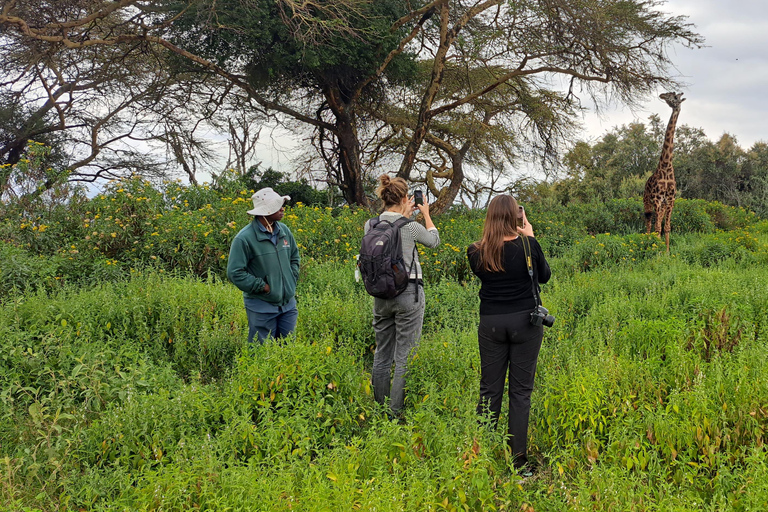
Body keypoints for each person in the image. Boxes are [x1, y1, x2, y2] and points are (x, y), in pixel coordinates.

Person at [466, 195, 551, 474]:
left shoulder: (476, 251)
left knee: (489, 389)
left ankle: (483, 457)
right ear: (516, 216)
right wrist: (529, 237)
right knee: (520, 392)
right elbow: (544, 277)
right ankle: (519, 462)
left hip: (490, 323)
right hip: (525, 323)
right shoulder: (528, 245)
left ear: (490, 217)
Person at [366, 175, 440, 418]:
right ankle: (395, 414)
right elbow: (434, 241)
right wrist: (426, 214)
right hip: (409, 293)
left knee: (382, 353)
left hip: (380, 294)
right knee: (405, 356)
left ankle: (379, 410)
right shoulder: (410, 226)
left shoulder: (371, 225)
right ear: (405, 198)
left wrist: (404, 213)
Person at [227, 187, 300, 344]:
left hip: (288, 305)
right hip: (261, 307)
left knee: (288, 349)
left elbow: (295, 257)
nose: (282, 209)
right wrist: (264, 287)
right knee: (262, 351)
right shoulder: (244, 238)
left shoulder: (284, 231)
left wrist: (291, 279)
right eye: (277, 206)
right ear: (265, 211)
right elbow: (235, 272)